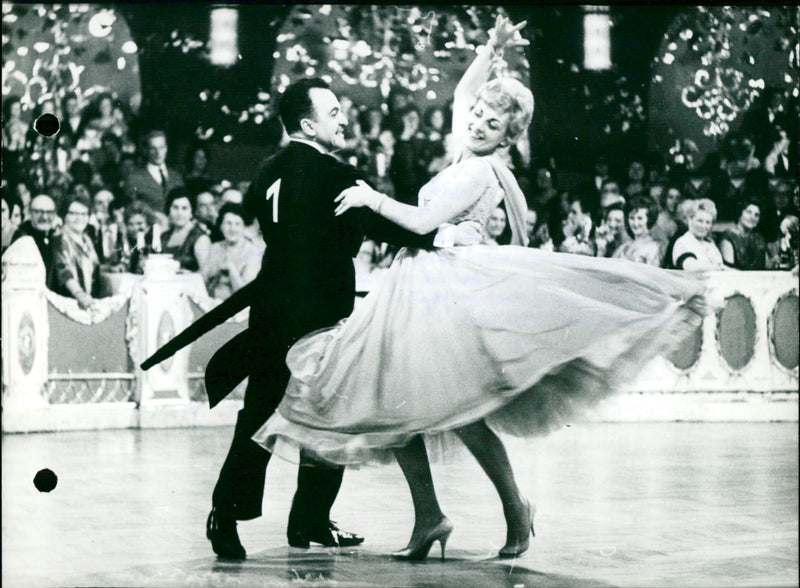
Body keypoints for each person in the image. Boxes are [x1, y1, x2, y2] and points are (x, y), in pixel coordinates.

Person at [253, 16, 706, 561]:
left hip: (442, 293)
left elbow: (421, 224)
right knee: (399, 405)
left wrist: (371, 198)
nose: (479, 123)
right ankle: (431, 516)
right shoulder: (465, 149)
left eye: (493, 124)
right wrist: (489, 52)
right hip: (416, 289)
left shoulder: (480, 171)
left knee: (455, 410)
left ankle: (508, 508)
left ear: (508, 138)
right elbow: (465, 96)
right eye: (479, 117)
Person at [183, 76, 482, 561]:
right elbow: (379, 224)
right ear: (308, 123)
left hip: (272, 312)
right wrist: (445, 236)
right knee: (331, 419)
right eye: (334, 112)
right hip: (319, 317)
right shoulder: (333, 173)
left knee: (260, 414)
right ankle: (310, 519)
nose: (344, 118)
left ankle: (226, 513)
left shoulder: (266, 172)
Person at [48, 195, 102, 309]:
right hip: (68, 303)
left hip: (87, 301)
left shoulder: (87, 240)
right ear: (64, 215)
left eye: (84, 214)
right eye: (73, 213)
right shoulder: (60, 239)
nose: (79, 218)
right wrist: (80, 294)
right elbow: (64, 272)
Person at [202, 202, 263, 299]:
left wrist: (231, 269)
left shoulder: (252, 252)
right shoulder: (216, 247)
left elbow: (246, 296)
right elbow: (204, 279)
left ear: (244, 227)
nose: (232, 229)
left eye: (237, 224)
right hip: (212, 303)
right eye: (228, 223)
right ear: (221, 226)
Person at [123, 130, 185, 212]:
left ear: (166, 148)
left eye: (161, 148)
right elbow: (131, 211)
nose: (158, 153)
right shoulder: (134, 178)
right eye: (153, 148)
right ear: (147, 150)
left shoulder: (177, 177)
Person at [160, 187, 211, 273]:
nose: (179, 213)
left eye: (184, 208)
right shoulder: (164, 236)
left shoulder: (200, 238)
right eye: (175, 208)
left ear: (191, 211)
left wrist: (188, 275)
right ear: (169, 209)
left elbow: (206, 273)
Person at [671, 199, 724, 270]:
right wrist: (718, 268)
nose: (703, 226)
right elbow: (690, 266)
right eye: (700, 221)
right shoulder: (682, 242)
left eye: (708, 222)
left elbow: (721, 266)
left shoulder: (710, 244)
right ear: (690, 219)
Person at [611, 195, 664, 266]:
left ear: (649, 219)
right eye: (632, 218)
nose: (635, 223)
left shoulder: (653, 248)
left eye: (640, 218)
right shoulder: (623, 247)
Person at [719, 198, 768, 270]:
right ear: (739, 213)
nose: (752, 217)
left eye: (756, 215)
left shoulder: (759, 238)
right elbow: (729, 272)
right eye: (749, 212)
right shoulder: (728, 237)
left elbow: (765, 267)